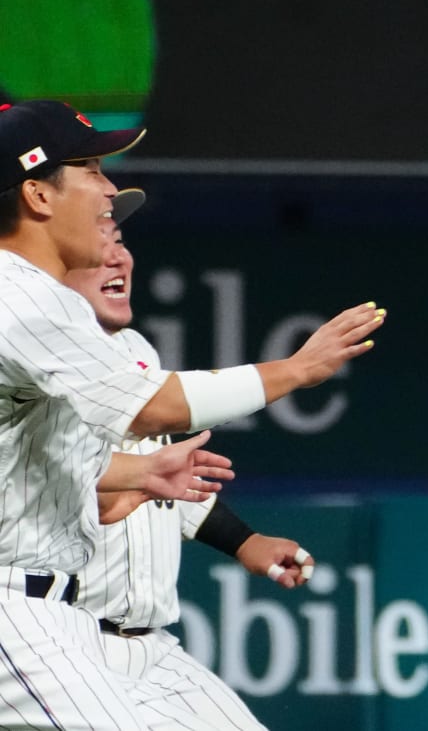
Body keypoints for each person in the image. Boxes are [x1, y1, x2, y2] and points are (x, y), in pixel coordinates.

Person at [0, 101, 380, 728]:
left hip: (64, 614)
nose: (108, 187)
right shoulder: (22, 298)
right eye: (92, 168)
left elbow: (61, 455)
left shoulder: (50, 307)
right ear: (38, 193)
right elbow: (157, 407)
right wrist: (297, 370)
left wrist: (137, 477)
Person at [69, 189, 316, 731]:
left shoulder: (134, 349)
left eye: (120, 240)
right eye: (96, 242)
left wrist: (244, 541)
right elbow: (55, 482)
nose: (117, 257)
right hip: (63, 641)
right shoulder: (30, 359)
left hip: (151, 649)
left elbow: (159, 480)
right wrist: (292, 373)